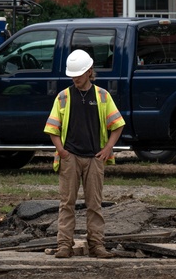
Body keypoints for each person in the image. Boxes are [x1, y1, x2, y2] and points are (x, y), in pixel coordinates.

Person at [43, 49, 125, 259]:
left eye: (78, 76)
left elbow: (117, 125)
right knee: (66, 203)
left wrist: (108, 149)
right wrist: (62, 151)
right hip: (70, 158)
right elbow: (52, 128)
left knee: (94, 205)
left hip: (94, 158)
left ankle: (97, 245)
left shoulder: (102, 96)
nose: (75, 79)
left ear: (89, 72)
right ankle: (64, 246)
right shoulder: (63, 97)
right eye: (72, 76)